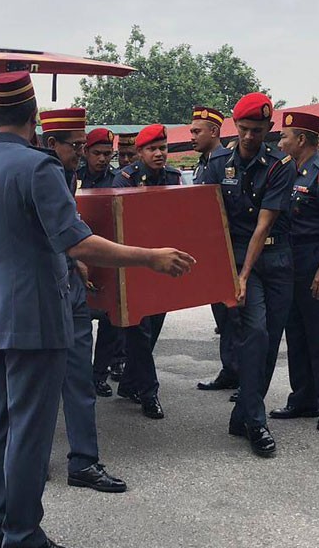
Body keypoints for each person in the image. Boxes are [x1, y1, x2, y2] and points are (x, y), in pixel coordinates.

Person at [0, 71, 193, 548]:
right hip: (34, 320)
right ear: (33, 116)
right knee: (30, 433)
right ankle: (21, 535)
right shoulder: (38, 169)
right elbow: (76, 242)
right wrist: (150, 257)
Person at [203, 93, 295, 458]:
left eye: (257, 130)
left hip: (275, 258)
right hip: (240, 257)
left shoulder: (279, 164)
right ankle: (256, 422)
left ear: (268, 129)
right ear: (234, 126)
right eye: (243, 129)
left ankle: (242, 414)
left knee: (270, 340)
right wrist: (236, 274)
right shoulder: (217, 163)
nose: (249, 136)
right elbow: (207, 218)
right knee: (254, 332)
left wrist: (245, 272)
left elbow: (265, 223)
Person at [39, 108, 126, 493]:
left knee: (79, 381)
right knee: (38, 385)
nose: (80, 152)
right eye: (74, 146)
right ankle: (34, 460)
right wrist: (148, 257)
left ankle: (84, 462)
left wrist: (76, 263)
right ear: (50, 143)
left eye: (81, 145)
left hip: (69, 286)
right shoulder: (35, 175)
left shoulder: (66, 174)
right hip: (40, 292)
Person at [270, 112, 319, 432]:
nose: (280, 141)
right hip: (293, 263)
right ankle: (303, 399)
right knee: (297, 334)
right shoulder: (291, 171)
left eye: (284, 136)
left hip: (318, 261)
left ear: (301, 139)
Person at [111, 123, 183, 419]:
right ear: (140, 153)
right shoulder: (124, 179)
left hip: (162, 264)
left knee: (153, 327)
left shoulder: (173, 177)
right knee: (139, 331)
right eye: (152, 149)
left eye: (162, 148)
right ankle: (149, 393)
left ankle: (129, 382)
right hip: (135, 263)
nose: (159, 154)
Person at [188, 106, 239, 394]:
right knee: (222, 316)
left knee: (235, 317)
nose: (192, 136)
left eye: (197, 131)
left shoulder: (224, 162)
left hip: (226, 249)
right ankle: (230, 369)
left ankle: (242, 375)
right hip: (211, 251)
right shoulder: (204, 162)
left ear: (215, 132)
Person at [75, 128, 126, 398]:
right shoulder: (74, 177)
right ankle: (80, 376)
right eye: (98, 153)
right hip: (79, 256)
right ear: (85, 152)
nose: (103, 159)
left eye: (108, 154)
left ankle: (99, 375)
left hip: (107, 256)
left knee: (109, 319)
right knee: (80, 319)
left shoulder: (117, 180)